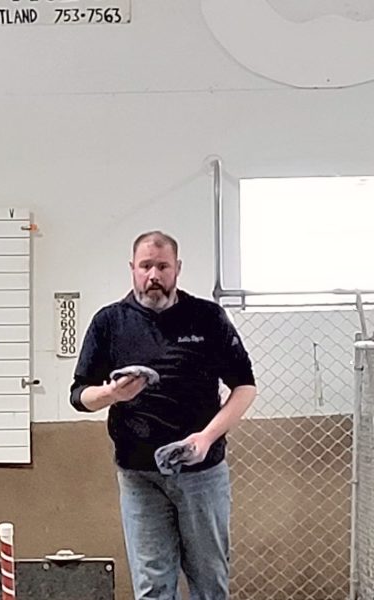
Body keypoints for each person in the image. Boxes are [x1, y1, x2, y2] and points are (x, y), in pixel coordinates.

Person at [70, 230, 256, 600]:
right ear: (132, 269)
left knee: (210, 581)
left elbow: (245, 388)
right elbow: (79, 396)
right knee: (153, 583)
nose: (153, 274)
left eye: (162, 266)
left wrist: (207, 437)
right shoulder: (109, 322)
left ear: (177, 269)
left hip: (202, 473)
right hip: (139, 476)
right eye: (145, 266)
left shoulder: (207, 317)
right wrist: (110, 393)